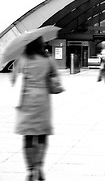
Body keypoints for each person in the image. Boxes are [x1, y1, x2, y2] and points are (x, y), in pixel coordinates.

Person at [11, 37, 60, 181]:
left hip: (25, 100)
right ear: (40, 44)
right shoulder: (48, 59)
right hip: (42, 101)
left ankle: (31, 169)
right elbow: (55, 79)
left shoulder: (22, 59)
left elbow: (14, 79)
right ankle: (39, 165)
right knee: (42, 134)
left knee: (28, 136)